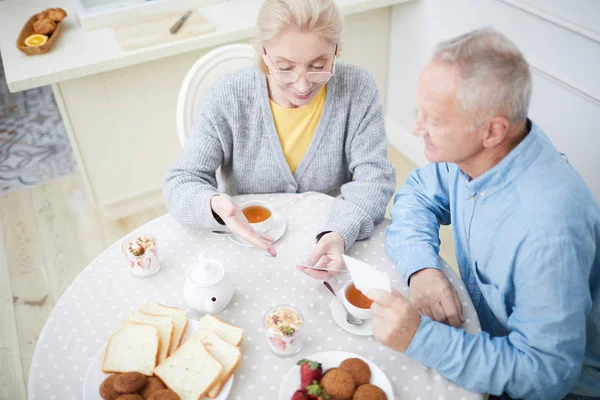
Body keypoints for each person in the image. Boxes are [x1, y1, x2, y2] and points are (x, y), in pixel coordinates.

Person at [369, 27, 600, 400]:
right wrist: (421, 268)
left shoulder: (548, 230)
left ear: (492, 131)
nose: (416, 129)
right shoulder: (473, 155)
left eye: (435, 120)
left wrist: (420, 337)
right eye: (419, 113)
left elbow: (545, 375)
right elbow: (416, 195)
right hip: (482, 340)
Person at [163, 0, 395, 274]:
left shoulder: (357, 88)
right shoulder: (229, 96)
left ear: (336, 50)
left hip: (327, 243)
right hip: (247, 247)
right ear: (263, 54)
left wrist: (340, 232)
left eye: (319, 64)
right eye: (284, 67)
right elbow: (181, 182)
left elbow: (375, 178)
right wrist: (214, 205)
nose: (302, 84)